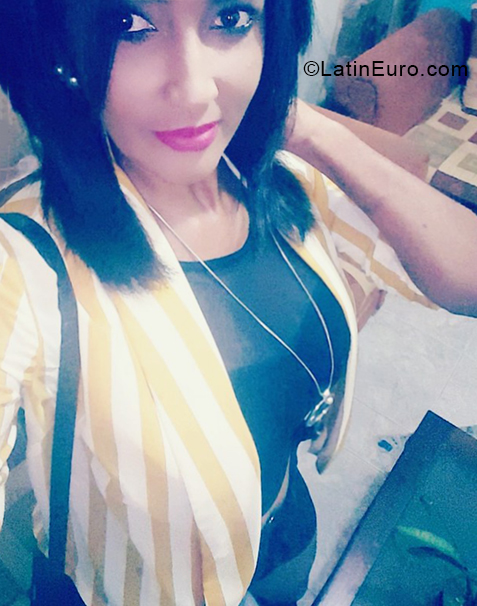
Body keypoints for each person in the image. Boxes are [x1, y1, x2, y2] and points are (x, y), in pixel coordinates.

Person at [0, 1, 476, 606]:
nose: (196, 89)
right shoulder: (23, 262)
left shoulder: (280, 182)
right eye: (128, 26)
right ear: (57, 50)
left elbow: (467, 280)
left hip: (286, 532)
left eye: (230, 19)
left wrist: (315, 129)